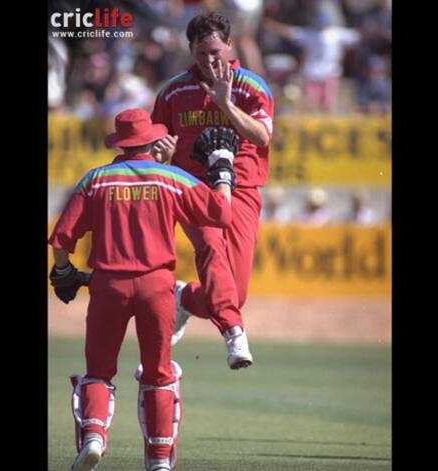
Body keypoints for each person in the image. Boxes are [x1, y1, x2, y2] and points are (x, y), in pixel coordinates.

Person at [48, 108, 238, 471]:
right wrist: (223, 175)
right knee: (158, 372)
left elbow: (61, 239)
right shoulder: (172, 177)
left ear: (120, 143)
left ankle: (93, 436)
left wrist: (63, 271)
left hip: (108, 286)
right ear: (152, 141)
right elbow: (222, 215)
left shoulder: (97, 179)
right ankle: (161, 460)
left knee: (99, 371)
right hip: (157, 286)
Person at [151, 11, 275, 369]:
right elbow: (157, 141)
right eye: (202, 53)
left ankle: (184, 297)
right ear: (190, 50)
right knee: (208, 245)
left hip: (243, 190)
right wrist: (162, 152)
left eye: (216, 52)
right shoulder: (174, 90)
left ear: (231, 46)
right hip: (193, 188)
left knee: (234, 293)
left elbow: (262, 135)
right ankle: (234, 333)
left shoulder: (251, 87)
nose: (210, 60)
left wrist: (225, 104)